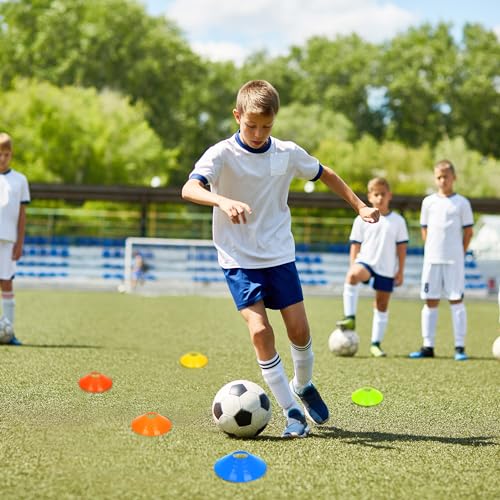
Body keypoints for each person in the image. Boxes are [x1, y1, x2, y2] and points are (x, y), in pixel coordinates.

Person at [182, 80, 379, 438]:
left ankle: (303, 385)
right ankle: (291, 411)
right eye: (250, 125)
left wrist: (360, 205)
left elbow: (326, 174)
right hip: (238, 258)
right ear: (237, 115)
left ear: (275, 121)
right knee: (260, 331)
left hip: (278, 255)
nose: (258, 133)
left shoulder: (286, 153)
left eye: (266, 126)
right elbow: (189, 187)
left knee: (299, 330)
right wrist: (221, 200)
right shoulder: (221, 154)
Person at [336, 177, 408, 357]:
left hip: (387, 267)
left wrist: (400, 271)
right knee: (352, 276)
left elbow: (402, 248)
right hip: (366, 262)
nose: (380, 198)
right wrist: (353, 265)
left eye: (383, 194)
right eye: (376, 194)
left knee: (381, 304)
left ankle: (376, 344)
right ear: (370, 196)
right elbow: (355, 245)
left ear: (389, 196)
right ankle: (350, 318)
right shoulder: (361, 219)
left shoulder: (398, 221)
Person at [409, 159, 473, 361]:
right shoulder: (428, 202)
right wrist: (432, 250)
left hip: (454, 261)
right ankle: (428, 346)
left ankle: (459, 347)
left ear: (454, 177)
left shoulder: (462, 203)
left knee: (456, 300)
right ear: (435, 179)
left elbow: (468, 231)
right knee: (430, 301)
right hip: (432, 260)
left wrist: (459, 252)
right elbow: (424, 229)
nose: (442, 180)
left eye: (446, 176)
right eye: (439, 177)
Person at [0, 132, 30, 345]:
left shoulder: (20, 180)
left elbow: (21, 214)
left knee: (6, 283)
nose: (2, 158)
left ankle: (9, 332)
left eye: (6, 154)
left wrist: (19, 242)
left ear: (11, 155)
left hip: (8, 241)